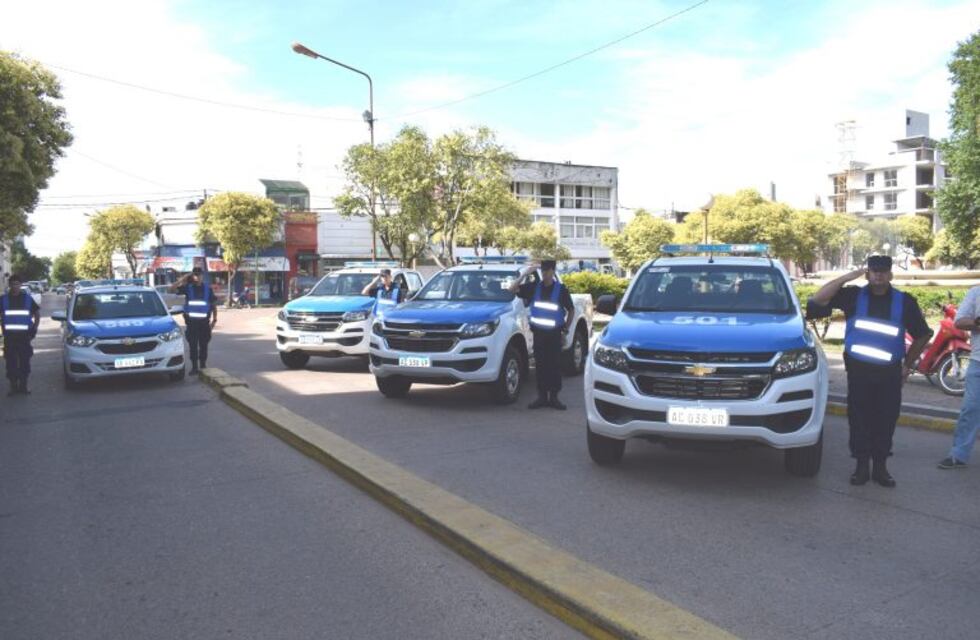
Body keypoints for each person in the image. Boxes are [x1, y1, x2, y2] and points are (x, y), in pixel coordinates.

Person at [808, 256, 932, 487]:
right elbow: (818, 299)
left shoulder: (904, 301)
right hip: (859, 373)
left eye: (883, 271)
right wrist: (847, 277)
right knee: (859, 419)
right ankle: (861, 466)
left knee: (886, 420)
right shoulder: (853, 296)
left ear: (890, 274)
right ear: (867, 274)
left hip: (889, 374)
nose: (879, 275)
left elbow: (923, 334)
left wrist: (907, 365)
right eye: (874, 271)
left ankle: (881, 468)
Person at [509, 259, 574, 410]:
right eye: (543, 270)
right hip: (539, 334)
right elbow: (512, 289)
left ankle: (554, 398)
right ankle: (542, 397)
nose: (544, 273)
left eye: (547, 270)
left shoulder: (561, 289)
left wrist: (566, 330)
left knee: (554, 366)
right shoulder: (534, 287)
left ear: (553, 271)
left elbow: (571, 309)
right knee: (541, 366)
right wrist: (525, 274)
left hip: (555, 334)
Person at [938, 284, 980, 470]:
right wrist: (977, 323)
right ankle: (958, 455)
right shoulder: (976, 292)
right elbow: (960, 321)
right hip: (978, 362)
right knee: (970, 410)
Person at [169, 267, 217, 375]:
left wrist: (214, 320)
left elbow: (213, 304)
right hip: (192, 323)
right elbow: (171, 289)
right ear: (192, 276)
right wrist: (184, 277)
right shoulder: (188, 288)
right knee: (193, 346)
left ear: (202, 276)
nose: (197, 277)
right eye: (195, 275)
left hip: (204, 323)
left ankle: (203, 366)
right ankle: (194, 367)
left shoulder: (207, 289)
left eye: (199, 274)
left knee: (204, 345)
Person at [1, 274, 41, 395]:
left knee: (24, 362)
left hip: (24, 337)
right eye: (13, 284)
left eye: (17, 284)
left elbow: (37, 314)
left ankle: (23, 386)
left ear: (20, 285)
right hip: (9, 337)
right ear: (9, 285)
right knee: (11, 363)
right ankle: (13, 387)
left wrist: (34, 328)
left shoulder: (27, 299)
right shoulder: (3, 299)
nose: (15, 286)